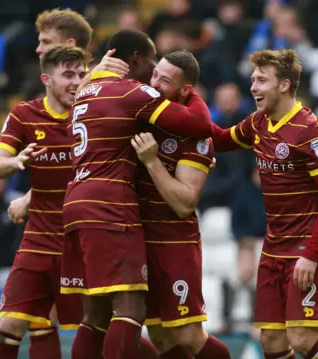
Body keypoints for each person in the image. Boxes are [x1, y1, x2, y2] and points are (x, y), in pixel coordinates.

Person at [59, 29, 214, 359]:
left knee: (98, 317)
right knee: (130, 309)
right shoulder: (134, 93)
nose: (154, 77)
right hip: (109, 207)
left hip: (77, 203)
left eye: (164, 76)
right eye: (153, 66)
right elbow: (199, 124)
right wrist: (194, 97)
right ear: (135, 61)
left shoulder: (85, 93)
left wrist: (92, 74)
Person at [210, 49, 318, 359]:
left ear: (284, 85)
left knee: (300, 338)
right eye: (252, 79)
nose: (253, 87)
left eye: (261, 80)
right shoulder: (258, 123)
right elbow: (219, 138)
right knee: (270, 340)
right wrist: (185, 107)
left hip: (310, 245)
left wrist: (311, 255)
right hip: (275, 244)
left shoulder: (310, 131)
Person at [0, 45, 88, 359]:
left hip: (83, 240)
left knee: (103, 326)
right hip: (39, 238)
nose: (77, 81)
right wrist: (17, 160)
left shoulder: (93, 113)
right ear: (46, 78)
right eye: (68, 75)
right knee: (11, 324)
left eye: (82, 74)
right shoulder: (24, 114)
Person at [130, 50, 231, 359]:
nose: (155, 84)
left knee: (187, 333)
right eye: (154, 75)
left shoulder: (195, 134)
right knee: (159, 335)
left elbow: (185, 203)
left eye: (165, 80)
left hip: (173, 241)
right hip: (137, 238)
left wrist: (152, 162)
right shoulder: (144, 108)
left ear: (186, 90)